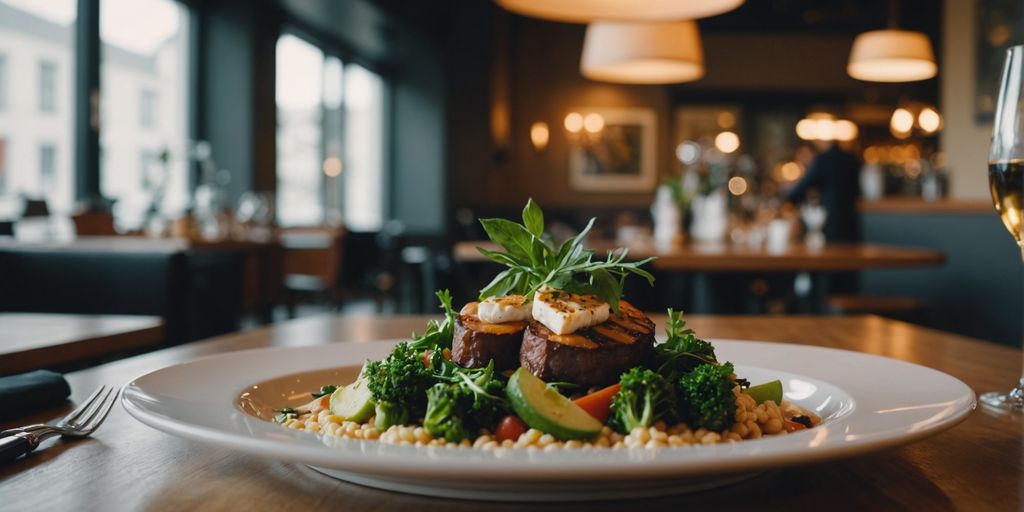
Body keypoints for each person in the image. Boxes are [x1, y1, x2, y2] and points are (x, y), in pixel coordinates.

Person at [785, 141, 861, 243]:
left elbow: (803, 186)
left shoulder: (823, 159)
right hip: (851, 218)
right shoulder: (851, 158)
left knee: (832, 254)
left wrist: (787, 198)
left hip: (830, 220)